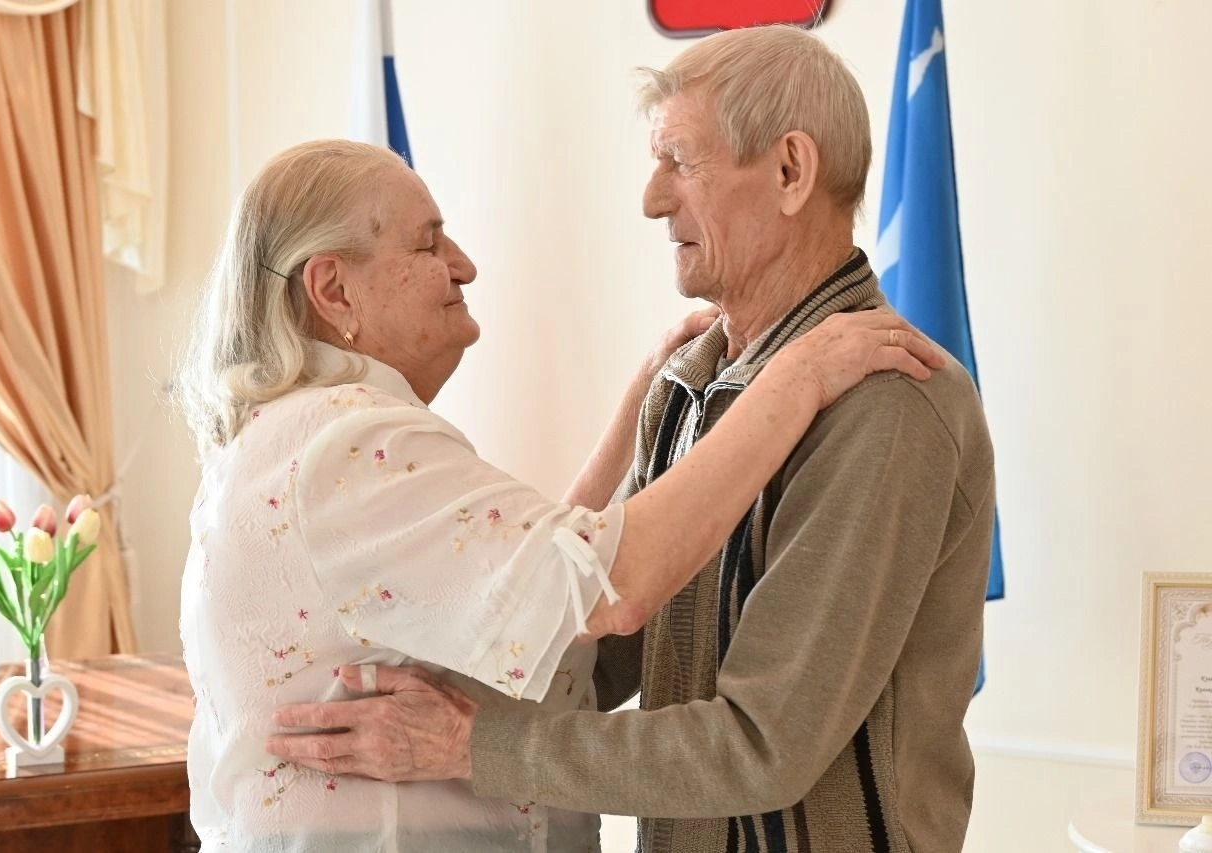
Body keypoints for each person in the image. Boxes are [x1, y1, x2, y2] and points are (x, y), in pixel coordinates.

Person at [264, 24, 997, 853]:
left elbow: (762, 744)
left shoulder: (886, 403)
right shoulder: (685, 383)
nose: (652, 200)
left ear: (790, 171)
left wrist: (467, 743)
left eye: (679, 161)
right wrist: (412, 688)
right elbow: (608, 653)